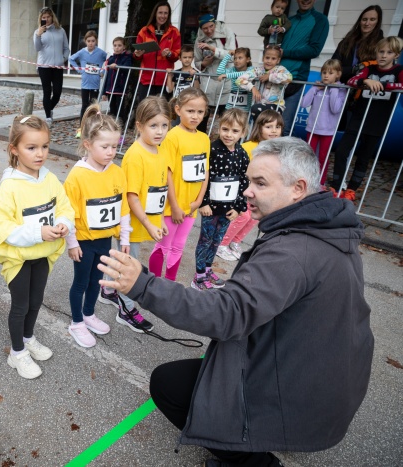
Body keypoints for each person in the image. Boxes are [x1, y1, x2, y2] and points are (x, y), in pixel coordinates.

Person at [98, 136, 373, 467]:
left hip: (303, 391)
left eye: (260, 183)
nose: (247, 191)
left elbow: (227, 313)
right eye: (249, 180)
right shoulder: (324, 227)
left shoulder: (294, 251)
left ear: (298, 188)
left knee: (169, 385)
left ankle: (253, 462)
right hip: (324, 377)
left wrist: (143, 285)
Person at [0, 115, 74, 379]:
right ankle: (17, 354)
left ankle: (28, 338)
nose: (40, 154)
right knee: (21, 305)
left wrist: (62, 223)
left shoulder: (49, 178)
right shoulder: (10, 186)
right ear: (14, 149)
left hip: (43, 254)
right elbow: (3, 226)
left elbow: (63, 206)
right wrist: (38, 232)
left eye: (45, 146)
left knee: (36, 301)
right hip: (18, 258)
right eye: (31, 148)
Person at [99, 96, 171, 333]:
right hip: (131, 225)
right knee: (131, 266)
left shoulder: (159, 151)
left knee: (123, 261)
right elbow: (132, 196)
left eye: (164, 125)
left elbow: (157, 188)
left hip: (147, 222)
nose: (159, 131)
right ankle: (127, 309)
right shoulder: (135, 155)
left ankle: (109, 291)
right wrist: (149, 225)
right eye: (153, 125)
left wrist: (158, 221)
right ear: (139, 125)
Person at [64, 104, 129, 348]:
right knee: (81, 282)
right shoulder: (77, 176)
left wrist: (124, 238)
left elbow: (122, 208)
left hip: (105, 239)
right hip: (83, 240)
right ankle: (76, 322)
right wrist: (71, 243)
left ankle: (89, 313)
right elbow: (68, 214)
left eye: (115, 146)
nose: (111, 151)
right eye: (105, 146)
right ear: (88, 144)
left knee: (97, 281)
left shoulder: (117, 172)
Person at [330, 36, 403, 201]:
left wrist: (384, 86)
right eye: (381, 51)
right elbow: (352, 80)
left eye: (389, 52)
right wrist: (365, 80)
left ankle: (351, 189)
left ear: (396, 55)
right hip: (359, 117)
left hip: (378, 121)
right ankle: (336, 185)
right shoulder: (369, 68)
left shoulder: (399, 71)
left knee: (364, 157)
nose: (383, 55)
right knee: (342, 150)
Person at [148, 88, 210, 282]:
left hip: (190, 206)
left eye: (200, 112)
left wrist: (198, 200)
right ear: (178, 109)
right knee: (163, 246)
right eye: (190, 111)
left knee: (179, 246)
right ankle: (154, 284)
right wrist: (174, 206)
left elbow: (205, 171)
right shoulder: (172, 136)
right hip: (172, 206)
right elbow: (166, 173)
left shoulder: (204, 138)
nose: (195, 116)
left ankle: (169, 283)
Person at [191, 109, 249, 290]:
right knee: (205, 239)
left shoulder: (242, 154)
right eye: (225, 129)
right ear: (219, 128)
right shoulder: (212, 150)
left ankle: (208, 269)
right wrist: (204, 202)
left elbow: (244, 181)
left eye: (234, 131)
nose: (229, 135)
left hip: (229, 208)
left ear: (243, 133)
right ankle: (199, 275)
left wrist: (239, 207)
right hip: (211, 207)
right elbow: (204, 177)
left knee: (217, 240)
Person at [216, 109, 283, 262]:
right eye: (268, 127)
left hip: (258, 191)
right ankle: (223, 243)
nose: (273, 131)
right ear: (259, 127)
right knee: (242, 215)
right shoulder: (249, 147)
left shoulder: (274, 149)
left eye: (277, 127)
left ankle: (235, 241)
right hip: (243, 189)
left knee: (253, 218)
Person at [279, 0, 329, 134]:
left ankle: (288, 155)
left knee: (285, 126)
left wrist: (285, 52)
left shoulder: (320, 20)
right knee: (268, 123)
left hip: (295, 78)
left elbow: (314, 50)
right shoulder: (289, 20)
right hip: (275, 77)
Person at [300, 59, 347, 186]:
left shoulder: (341, 90)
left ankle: (320, 182)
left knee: (323, 157)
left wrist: (333, 89)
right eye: (324, 72)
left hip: (328, 130)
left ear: (338, 74)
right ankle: (306, 180)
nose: (326, 75)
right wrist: (315, 88)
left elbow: (335, 108)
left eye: (330, 73)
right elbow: (304, 103)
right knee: (309, 155)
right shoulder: (318, 88)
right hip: (313, 128)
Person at [193, 13, 237, 132]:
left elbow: (233, 56)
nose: (208, 30)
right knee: (202, 118)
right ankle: (200, 144)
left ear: (215, 23)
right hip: (208, 83)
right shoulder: (199, 38)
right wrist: (204, 64)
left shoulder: (227, 32)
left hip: (225, 81)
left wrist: (214, 50)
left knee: (226, 119)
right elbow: (197, 62)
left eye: (211, 26)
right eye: (205, 28)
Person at [133, 1, 181, 98]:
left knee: (163, 111)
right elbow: (137, 54)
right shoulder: (144, 31)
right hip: (146, 79)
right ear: (155, 13)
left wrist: (169, 54)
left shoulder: (174, 32)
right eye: (160, 12)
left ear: (169, 15)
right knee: (145, 110)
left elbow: (177, 55)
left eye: (165, 13)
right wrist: (137, 54)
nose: (163, 16)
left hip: (165, 79)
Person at [33, 6, 70, 126]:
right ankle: (48, 117)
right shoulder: (38, 32)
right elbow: (37, 48)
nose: (46, 19)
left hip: (58, 66)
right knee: (47, 92)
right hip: (44, 66)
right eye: (44, 17)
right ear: (41, 19)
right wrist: (38, 35)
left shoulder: (61, 31)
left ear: (52, 17)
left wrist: (63, 59)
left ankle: (49, 108)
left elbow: (66, 48)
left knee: (57, 92)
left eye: (48, 16)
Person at [236, 45, 292, 121]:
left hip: (276, 106)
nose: (269, 61)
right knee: (257, 117)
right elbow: (239, 80)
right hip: (260, 106)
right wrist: (252, 88)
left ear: (278, 60)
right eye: (267, 58)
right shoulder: (258, 70)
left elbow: (289, 78)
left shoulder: (280, 69)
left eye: (273, 59)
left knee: (256, 109)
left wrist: (270, 76)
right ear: (263, 58)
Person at [332, 5, 384, 84]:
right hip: (342, 88)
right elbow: (332, 68)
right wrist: (354, 69)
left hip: (365, 90)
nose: (367, 23)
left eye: (372, 19)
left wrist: (347, 70)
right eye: (364, 19)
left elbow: (379, 70)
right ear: (360, 21)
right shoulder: (346, 42)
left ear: (378, 22)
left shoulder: (382, 45)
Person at [69, 30, 107, 124]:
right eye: (89, 41)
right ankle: (82, 125)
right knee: (84, 105)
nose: (91, 43)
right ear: (85, 41)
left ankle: (93, 125)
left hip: (95, 84)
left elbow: (108, 61)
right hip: (85, 84)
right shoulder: (82, 52)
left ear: (96, 41)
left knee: (93, 106)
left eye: (93, 41)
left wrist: (103, 71)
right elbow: (71, 59)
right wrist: (79, 69)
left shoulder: (101, 53)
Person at [103, 37, 133, 125]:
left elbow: (127, 69)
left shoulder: (126, 58)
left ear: (124, 47)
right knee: (112, 108)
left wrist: (117, 66)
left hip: (120, 89)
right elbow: (107, 76)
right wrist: (104, 92)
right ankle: (112, 126)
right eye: (115, 45)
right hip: (110, 89)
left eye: (119, 45)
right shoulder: (111, 59)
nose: (117, 48)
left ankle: (120, 126)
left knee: (120, 109)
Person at [216, 48, 254, 113]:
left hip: (244, 106)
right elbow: (219, 71)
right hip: (231, 104)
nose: (236, 60)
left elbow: (244, 74)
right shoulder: (232, 69)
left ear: (248, 59)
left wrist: (227, 75)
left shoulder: (251, 69)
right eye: (235, 58)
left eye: (240, 58)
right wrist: (228, 55)